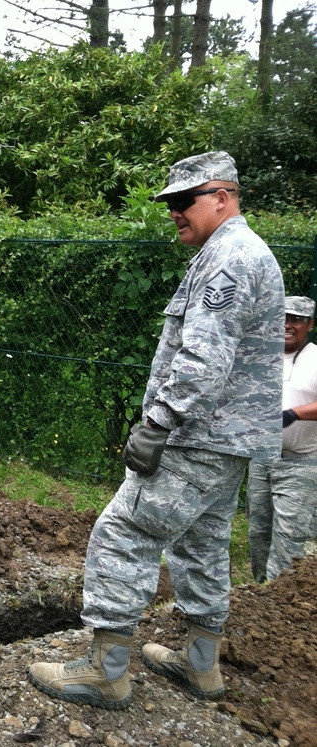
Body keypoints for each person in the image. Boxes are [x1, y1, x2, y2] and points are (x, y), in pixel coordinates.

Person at [27, 151, 284, 708]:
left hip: (197, 436)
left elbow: (204, 359)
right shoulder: (234, 252)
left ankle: (105, 671)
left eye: (184, 200)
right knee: (203, 545)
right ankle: (201, 666)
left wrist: (158, 422)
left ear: (223, 196)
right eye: (169, 203)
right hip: (227, 440)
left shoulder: (230, 258)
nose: (174, 212)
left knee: (125, 534)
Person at [245, 295, 317, 583]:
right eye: (283, 317)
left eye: (296, 319)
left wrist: (295, 414)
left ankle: (285, 605)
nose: (288, 324)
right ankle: (261, 599)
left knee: (289, 538)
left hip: (302, 462)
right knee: (258, 533)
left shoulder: (315, 358)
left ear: (309, 324)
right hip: (262, 459)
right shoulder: (262, 356)